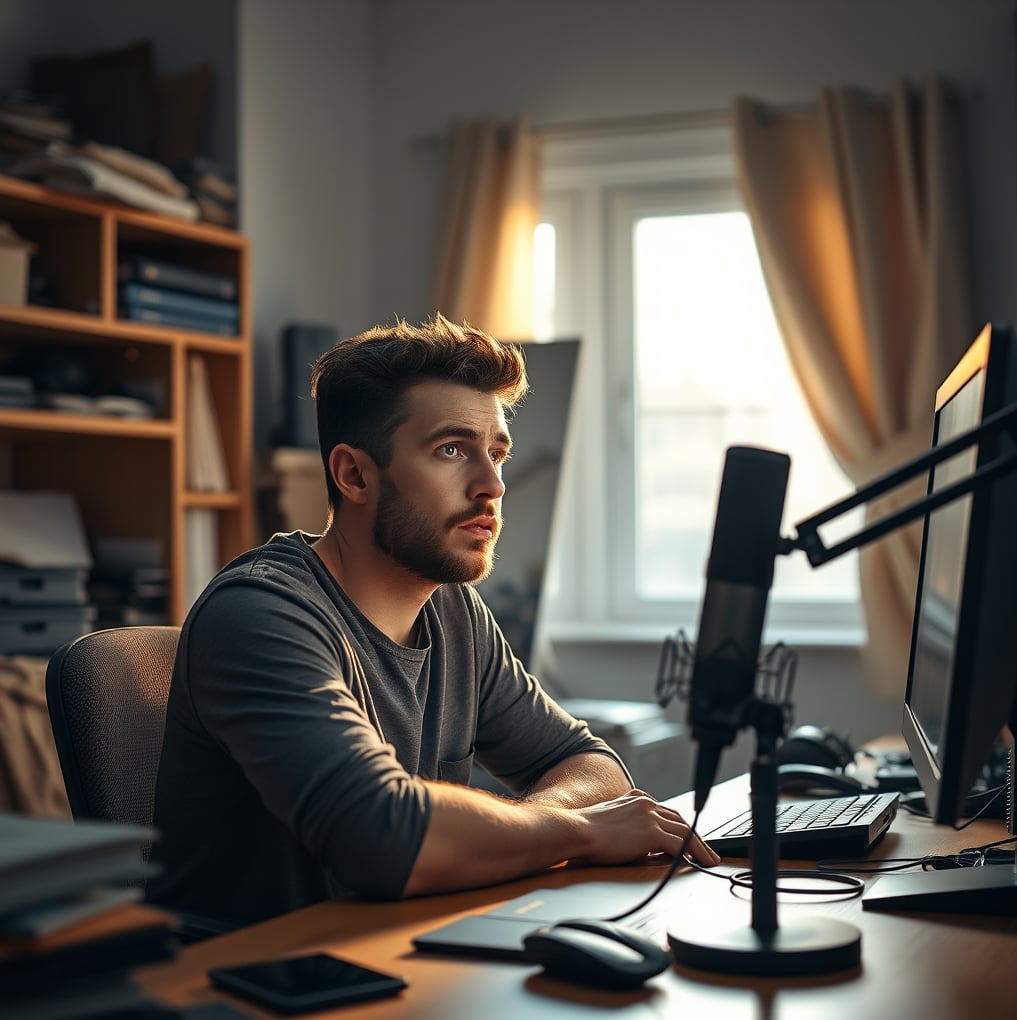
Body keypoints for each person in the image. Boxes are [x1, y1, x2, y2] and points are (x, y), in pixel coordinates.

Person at [147, 313, 717, 927]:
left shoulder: (452, 610)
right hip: (254, 973)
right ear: (354, 475)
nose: (492, 485)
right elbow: (385, 839)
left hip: (395, 947)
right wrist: (581, 831)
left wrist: (536, 825)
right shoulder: (259, 615)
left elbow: (592, 765)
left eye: (496, 453)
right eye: (452, 450)